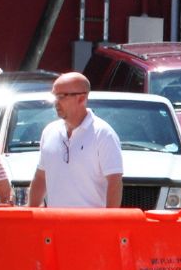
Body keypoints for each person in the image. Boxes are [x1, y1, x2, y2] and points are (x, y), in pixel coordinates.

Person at [28, 72, 123, 209]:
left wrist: (109, 224)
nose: (56, 102)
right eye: (54, 96)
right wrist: (30, 215)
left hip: (91, 227)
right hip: (55, 225)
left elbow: (115, 183)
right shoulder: (49, 131)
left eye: (61, 96)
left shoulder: (103, 134)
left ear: (81, 98)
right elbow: (41, 177)